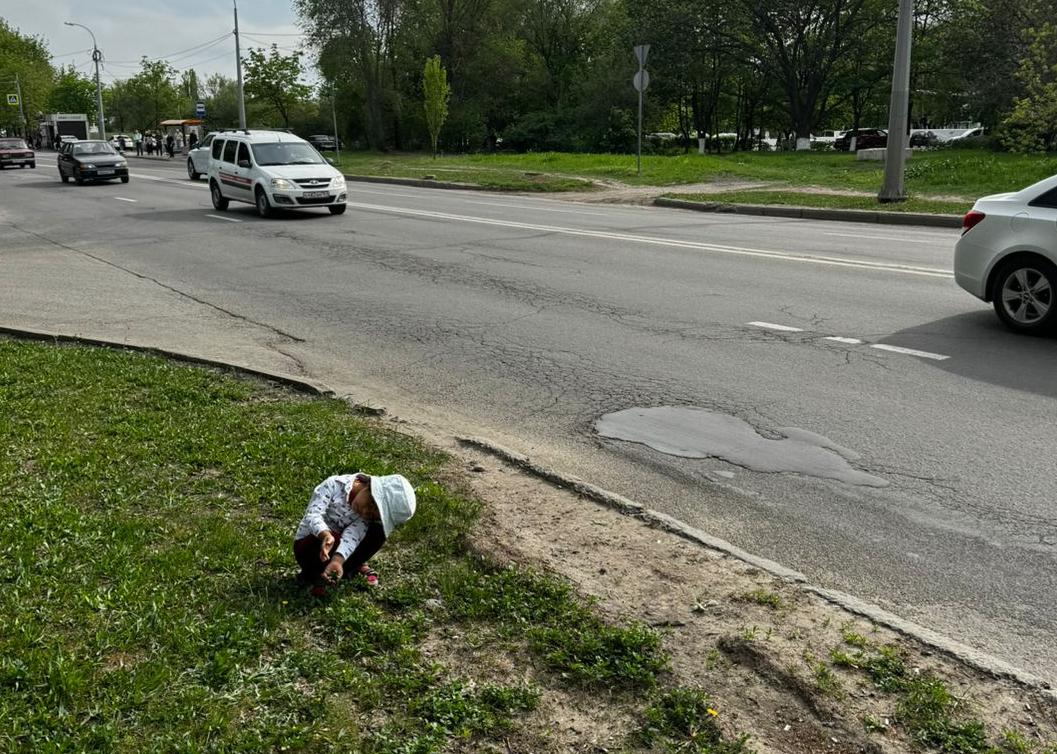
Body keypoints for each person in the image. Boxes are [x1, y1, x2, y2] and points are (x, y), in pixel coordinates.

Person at [293, 472, 416, 595]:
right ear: (369, 486)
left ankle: (344, 568)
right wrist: (325, 534)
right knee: (332, 538)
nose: (366, 511)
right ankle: (314, 575)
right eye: (371, 503)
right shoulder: (334, 485)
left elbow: (353, 535)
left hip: (338, 550)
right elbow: (313, 515)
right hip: (311, 543)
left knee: (378, 532)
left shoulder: (365, 516)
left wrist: (337, 560)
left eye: (374, 515)